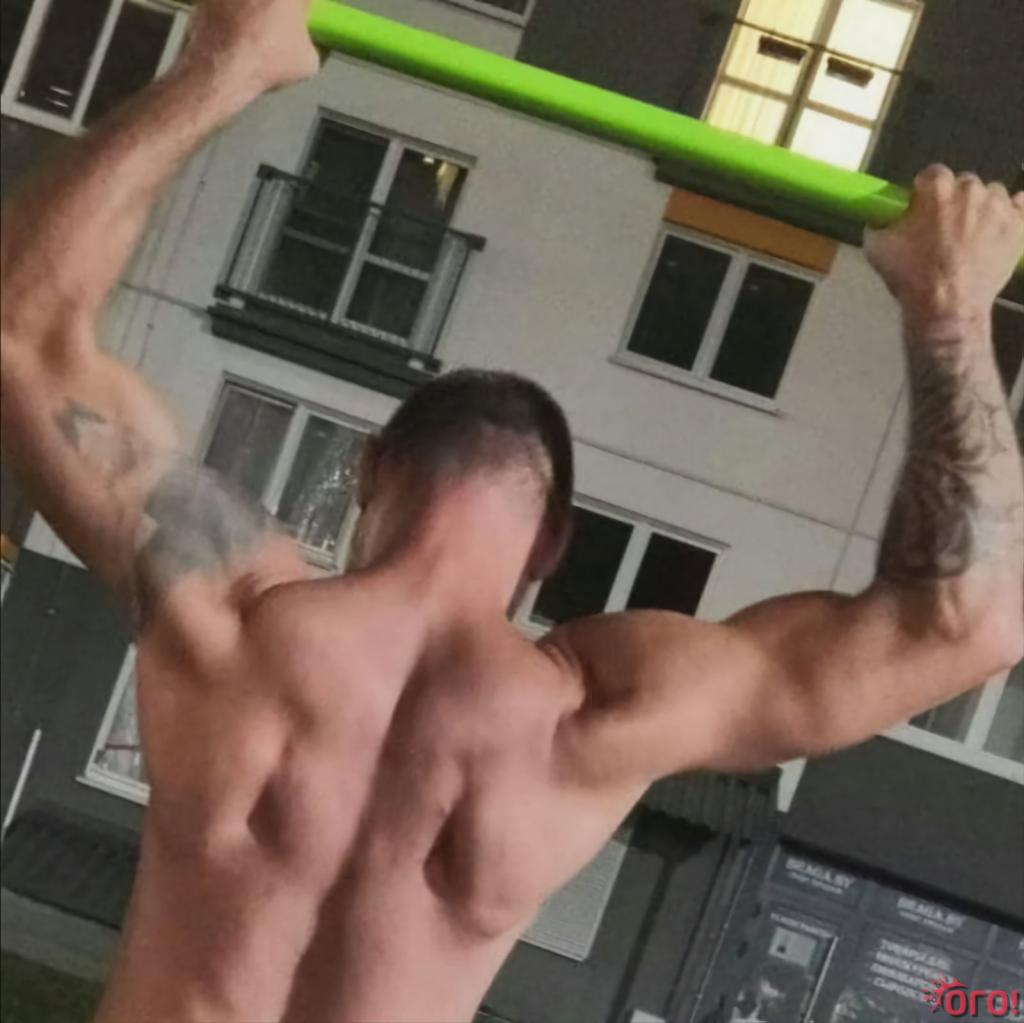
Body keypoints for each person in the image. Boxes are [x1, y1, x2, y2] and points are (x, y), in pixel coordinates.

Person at [1, 0, 1021, 1018]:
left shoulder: (226, 617)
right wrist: (951, 305)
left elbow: (23, 328)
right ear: (553, 544)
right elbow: (965, 623)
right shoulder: (588, 723)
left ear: (368, 471)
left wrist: (222, 66)